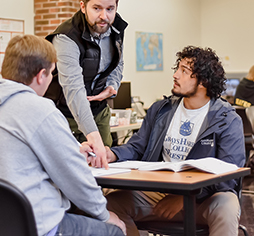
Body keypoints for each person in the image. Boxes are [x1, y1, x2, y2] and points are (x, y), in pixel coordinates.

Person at [0, 35, 126, 236]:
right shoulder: (39, 108)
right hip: (34, 225)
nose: (52, 79)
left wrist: (74, 151)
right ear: (41, 75)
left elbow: (14, 154)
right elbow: (74, 175)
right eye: (52, 73)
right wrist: (105, 215)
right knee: (114, 231)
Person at [104, 46, 245, 236]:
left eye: (184, 71)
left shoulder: (226, 119)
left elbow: (230, 173)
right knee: (109, 203)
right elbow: (137, 146)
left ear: (203, 81)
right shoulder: (161, 110)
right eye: (177, 69)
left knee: (227, 206)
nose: (176, 75)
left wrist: (188, 196)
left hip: (203, 198)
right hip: (161, 192)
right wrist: (112, 154)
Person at [45, 0, 128, 169]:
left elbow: (118, 63)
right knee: (70, 173)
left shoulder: (116, 27)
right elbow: (73, 90)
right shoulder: (66, 37)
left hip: (99, 112)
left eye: (110, 9)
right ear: (83, 6)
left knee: (105, 173)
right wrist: (93, 136)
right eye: (97, 8)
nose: (104, 16)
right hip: (65, 115)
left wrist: (112, 85)